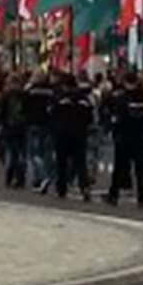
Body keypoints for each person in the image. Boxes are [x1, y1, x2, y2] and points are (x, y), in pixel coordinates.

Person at [102, 72, 143, 208]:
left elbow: (113, 112)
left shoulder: (121, 97)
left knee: (119, 168)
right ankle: (142, 199)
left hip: (123, 137)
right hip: (140, 137)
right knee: (140, 170)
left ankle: (113, 195)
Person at [51, 72, 94, 201]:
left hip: (62, 134)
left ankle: (61, 189)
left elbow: (53, 115)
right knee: (81, 163)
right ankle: (84, 187)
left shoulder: (60, 99)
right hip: (80, 134)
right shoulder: (84, 100)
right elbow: (90, 117)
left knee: (61, 163)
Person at [23, 72, 57, 193]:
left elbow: (24, 107)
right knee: (46, 151)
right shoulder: (52, 91)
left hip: (33, 123)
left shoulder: (30, 91)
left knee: (34, 153)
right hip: (47, 124)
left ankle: (42, 176)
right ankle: (45, 175)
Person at [1, 72, 30, 189]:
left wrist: (2, 123)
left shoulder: (6, 95)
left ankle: (9, 177)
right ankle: (21, 178)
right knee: (22, 153)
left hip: (10, 127)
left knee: (12, 153)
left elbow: (2, 112)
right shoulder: (25, 95)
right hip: (22, 127)